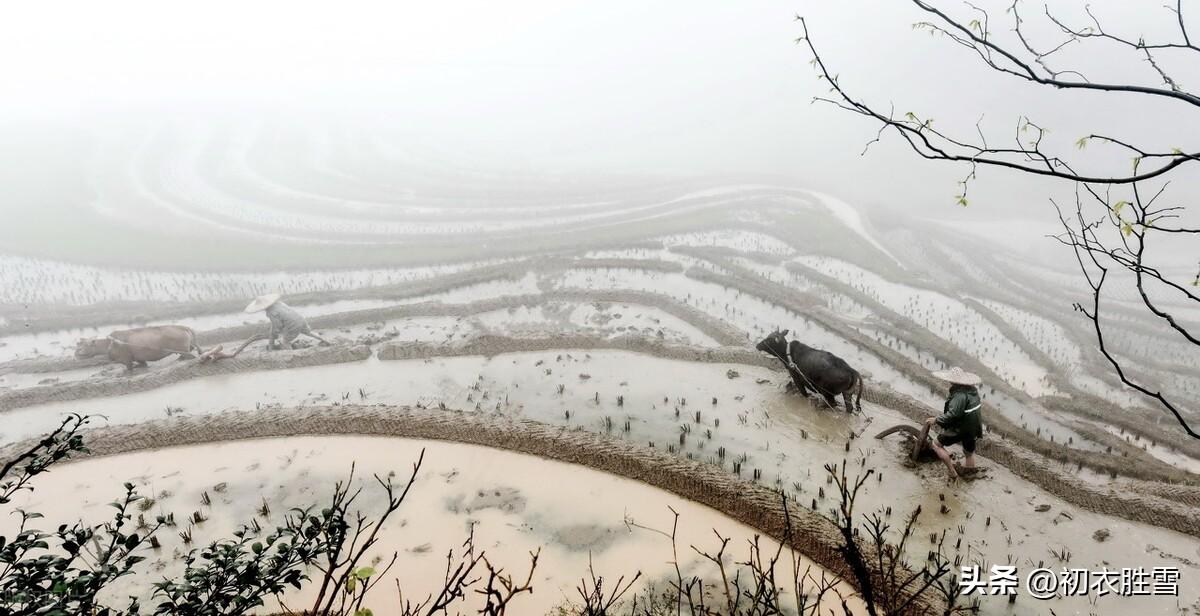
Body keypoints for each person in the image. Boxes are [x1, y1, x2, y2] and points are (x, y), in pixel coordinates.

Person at [925, 366, 983, 482]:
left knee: (936, 445)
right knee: (968, 452)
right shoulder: (973, 392)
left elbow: (953, 415)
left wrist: (936, 420)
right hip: (974, 427)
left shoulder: (959, 395)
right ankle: (968, 476)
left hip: (962, 427)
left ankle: (953, 472)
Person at [244, 293, 330, 350]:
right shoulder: (279, 303)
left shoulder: (271, 312)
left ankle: (291, 354)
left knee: (284, 341)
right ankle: (326, 341)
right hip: (300, 319)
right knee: (308, 332)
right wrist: (275, 330)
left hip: (293, 325)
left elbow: (277, 325)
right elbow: (283, 317)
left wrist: (274, 333)